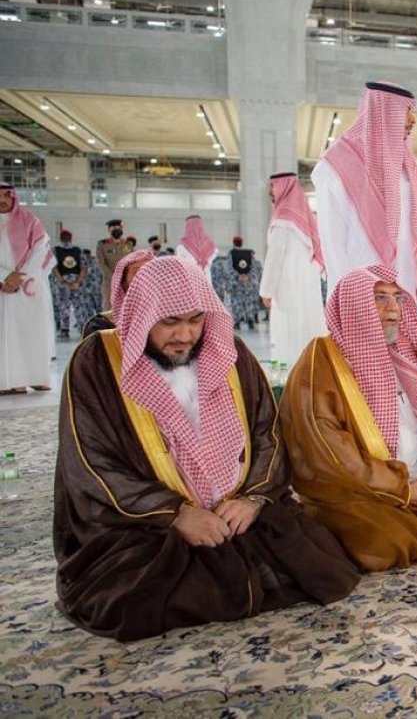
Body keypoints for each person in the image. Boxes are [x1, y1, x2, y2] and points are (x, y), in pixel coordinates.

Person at [54, 257, 360, 641]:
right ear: (144, 313)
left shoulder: (228, 351)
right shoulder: (96, 362)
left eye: (195, 320)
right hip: (144, 521)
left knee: (324, 564)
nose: (185, 335)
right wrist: (176, 514)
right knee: (131, 598)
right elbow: (92, 461)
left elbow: (267, 431)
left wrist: (252, 499)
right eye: (170, 322)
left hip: (237, 508)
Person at [279, 265, 417, 570]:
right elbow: (327, 451)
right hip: (363, 490)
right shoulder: (321, 359)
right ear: (354, 304)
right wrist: (402, 490)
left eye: (397, 298)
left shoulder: (406, 352)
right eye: (380, 298)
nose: (394, 308)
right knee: (380, 544)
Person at [314, 82, 417, 317]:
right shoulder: (338, 166)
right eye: (406, 111)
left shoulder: (412, 170)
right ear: (384, 114)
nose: (413, 120)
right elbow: (332, 241)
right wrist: (346, 296)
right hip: (364, 288)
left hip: (409, 287)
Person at [260, 171, 327, 365]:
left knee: (288, 334)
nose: (271, 192)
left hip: (287, 287)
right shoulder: (305, 220)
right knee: (307, 329)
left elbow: (275, 258)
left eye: (272, 188)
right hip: (307, 287)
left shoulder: (283, 221)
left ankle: (291, 376)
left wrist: (266, 290)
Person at [0, 184, 53, 394]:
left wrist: (18, 279)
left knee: (31, 331)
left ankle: (36, 377)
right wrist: (4, 276)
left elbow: (40, 250)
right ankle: (6, 381)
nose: (2, 200)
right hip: (2, 288)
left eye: (6, 195)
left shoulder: (30, 221)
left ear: (13, 197)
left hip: (27, 287)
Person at [81, 248, 156, 337]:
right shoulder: (102, 325)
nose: (145, 276)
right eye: (137, 272)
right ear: (123, 283)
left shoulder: (171, 321)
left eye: (150, 271)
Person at [51, 229, 88, 340]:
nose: (66, 240)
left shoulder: (74, 250)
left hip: (70, 281)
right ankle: (72, 329)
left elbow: (83, 268)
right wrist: (70, 282)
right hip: (68, 281)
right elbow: (54, 268)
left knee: (73, 307)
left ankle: (73, 329)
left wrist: (74, 282)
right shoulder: (58, 250)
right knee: (71, 307)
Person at [95, 219, 132, 312]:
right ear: (108, 230)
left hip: (125, 281)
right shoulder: (102, 245)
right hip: (110, 282)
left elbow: (132, 261)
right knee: (109, 308)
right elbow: (101, 263)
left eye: (118, 228)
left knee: (127, 308)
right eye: (113, 228)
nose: (116, 230)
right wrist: (115, 277)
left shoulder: (128, 244)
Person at [227, 236, 262, 330]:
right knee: (248, 302)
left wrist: (238, 276)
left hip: (236, 283)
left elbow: (229, 268)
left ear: (233, 243)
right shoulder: (249, 254)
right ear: (242, 243)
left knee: (236, 302)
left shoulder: (231, 254)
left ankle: (237, 322)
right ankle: (250, 320)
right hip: (248, 283)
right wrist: (248, 276)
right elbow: (254, 267)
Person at [177, 214, 218, 281]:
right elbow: (213, 258)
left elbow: (180, 265)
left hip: (191, 278)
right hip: (206, 277)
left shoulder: (182, 247)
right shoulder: (211, 246)